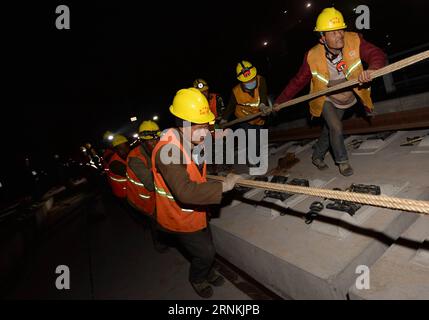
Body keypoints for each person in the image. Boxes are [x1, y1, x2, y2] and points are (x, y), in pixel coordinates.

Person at [151, 88, 242, 298]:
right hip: (179, 216)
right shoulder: (168, 152)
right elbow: (184, 192)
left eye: (205, 126)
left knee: (207, 244)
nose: (204, 132)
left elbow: (208, 136)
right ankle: (198, 278)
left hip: (198, 208)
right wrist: (224, 186)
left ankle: (207, 270)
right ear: (182, 125)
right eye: (199, 127)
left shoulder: (190, 137)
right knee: (206, 252)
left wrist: (222, 133)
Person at [274, 7, 386, 176]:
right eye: (333, 33)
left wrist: (372, 69)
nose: (340, 35)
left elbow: (376, 54)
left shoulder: (354, 39)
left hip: (348, 96)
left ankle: (317, 156)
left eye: (340, 29)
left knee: (330, 130)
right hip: (327, 98)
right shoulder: (312, 56)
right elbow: (297, 82)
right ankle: (343, 162)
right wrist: (279, 102)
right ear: (322, 38)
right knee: (336, 126)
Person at [126, 120, 167, 252]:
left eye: (157, 139)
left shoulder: (158, 149)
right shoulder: (135, 159)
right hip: (142, 198)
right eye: (151, 141)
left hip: (154, 194)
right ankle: (159, 244)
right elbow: (150, 183)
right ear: (142, 142)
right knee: (156, 221)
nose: (155, 143)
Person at [107, 134, 130, 198]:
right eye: (121, 149)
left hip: (129, 191)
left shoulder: (126, 156)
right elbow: (132, 174)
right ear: (115, 150)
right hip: (123, 194)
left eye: (126, 147)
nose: (125, 151)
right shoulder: (115, 164)